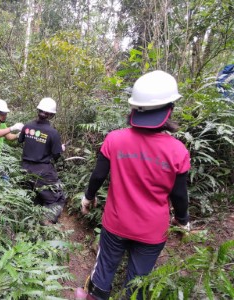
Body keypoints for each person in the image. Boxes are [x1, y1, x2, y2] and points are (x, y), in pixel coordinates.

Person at [75, 70, 191, 300]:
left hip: (116, 224)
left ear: (134, 109)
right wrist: (183, 220)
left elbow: (98, 176)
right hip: (152, 231)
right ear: (169, 109)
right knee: (138, 282)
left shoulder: (115, 139)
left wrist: (88, 197)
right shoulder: (177, 151)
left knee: (104, 269)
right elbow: (180, 195)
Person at [18, 97, 66, 225]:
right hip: (43, 171)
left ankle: (32, 222)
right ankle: (47, 223)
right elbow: (56, 156)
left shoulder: (27, 126)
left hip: (24, 169)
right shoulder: (53, 133)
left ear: (38, 110)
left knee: (33, 195)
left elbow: (20, 140)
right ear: (51, 115)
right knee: (58, 197)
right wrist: (60, 149)